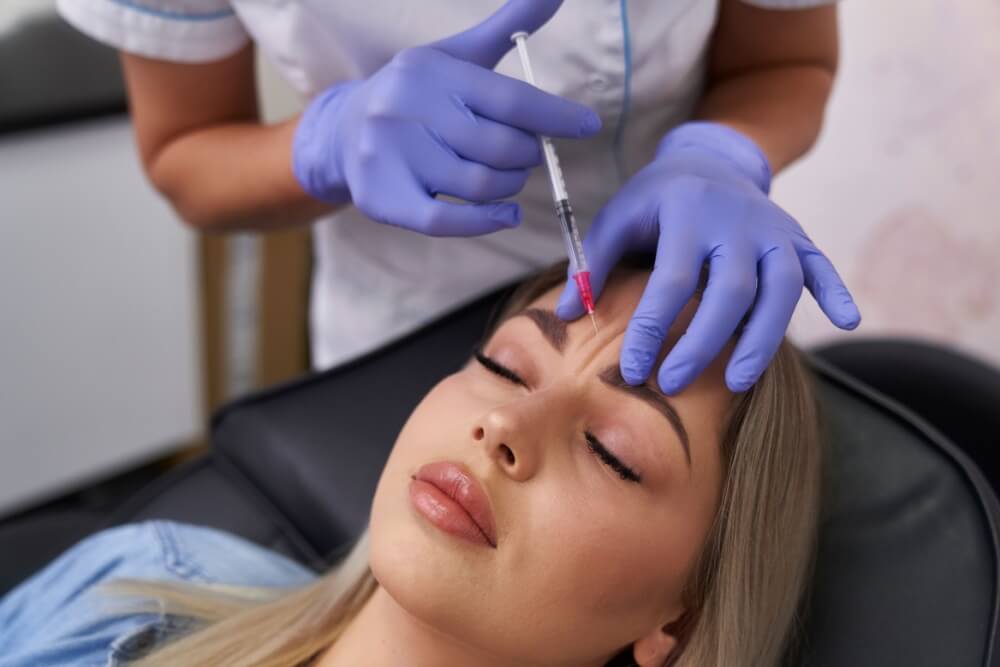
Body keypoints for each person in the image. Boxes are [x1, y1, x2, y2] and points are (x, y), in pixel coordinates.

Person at [0, 256, 822, 667]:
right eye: (505, 365)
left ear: (679, 617)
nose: (504, 419)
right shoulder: (134, 582)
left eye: (611, 450)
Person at [56, 0, 859, 394]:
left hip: (672, 299)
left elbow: (787, 63)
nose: (505, 435)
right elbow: (183, 155)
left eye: (614, 459)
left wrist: (718, 155)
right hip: (397, 322)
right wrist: (327, 144)